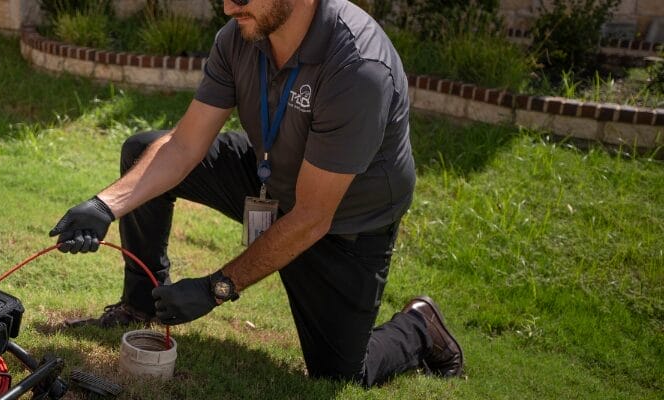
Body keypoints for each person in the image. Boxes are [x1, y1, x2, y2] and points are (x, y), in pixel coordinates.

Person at [48, 0, 463, 386]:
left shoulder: (357, 67)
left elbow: (312, 216)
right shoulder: (239, 35)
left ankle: (419, 327)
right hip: (270, 172)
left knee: (340, 374)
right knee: (143, 150)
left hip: (344, 219)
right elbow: (184, 146)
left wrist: (216, 288)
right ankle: (139, 304)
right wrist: (104, 205)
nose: (229, 6)